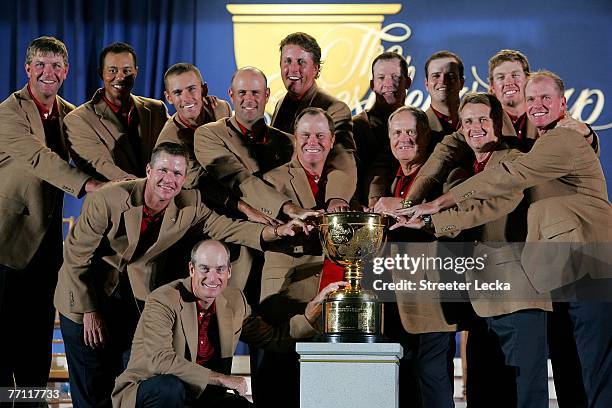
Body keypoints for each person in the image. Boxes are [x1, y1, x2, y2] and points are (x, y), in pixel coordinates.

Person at [396, 71, 612, 408]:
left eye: (545, 98)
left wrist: (434, 209)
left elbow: (504, 189)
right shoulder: (532, 147)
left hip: (581, 270)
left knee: (591, 377)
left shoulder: (558, 141)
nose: (537, 105)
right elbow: (452, 147)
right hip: (557, 276)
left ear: (563, 104)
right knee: (576, 376)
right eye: (531, 99)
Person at [54, 142, 308, 408]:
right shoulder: (107, 199)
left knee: (130, 380)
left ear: (185, 178)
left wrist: (276, 233)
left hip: (131, 298)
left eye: (177, 173)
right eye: (163, 170)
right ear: (149, 170)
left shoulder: (190, 203)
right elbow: (75, 259)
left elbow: (227, 228)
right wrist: (89, 311)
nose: (169, 179)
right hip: (84, 297)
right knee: (91, 389)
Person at [413, 92, 552, 407]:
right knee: (483, 394)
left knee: (526, 396)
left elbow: (488, 204)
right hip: (479, 303)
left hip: (519, 298)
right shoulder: (463, 171)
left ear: (498, 123)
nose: (476, 127)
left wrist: (429, 219)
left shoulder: (514, 161)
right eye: (468, 121)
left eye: (483, 119)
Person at [112, 239, 343, 408]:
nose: (213, 278)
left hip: (203, 394)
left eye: (220, 269)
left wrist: (309, 315)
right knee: (170, 388)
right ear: (191, 269)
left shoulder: (234, 301)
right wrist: (222, 379)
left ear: (229, 271)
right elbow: (160, 361)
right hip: (150, 389)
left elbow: (272, 339)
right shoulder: (163, 299)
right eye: (204, 269)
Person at [0, 36, 103, 388]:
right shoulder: (8, 112)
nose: (49, 72)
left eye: (56, 65)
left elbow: (94, 157)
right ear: (28, 69)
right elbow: (39, 158)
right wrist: (90, 185)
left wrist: (126, 183)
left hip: (44, 246)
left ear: (66, 71)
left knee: (37, 339)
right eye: (41, 65)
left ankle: (34, 399)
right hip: (4, 244)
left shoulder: (71, 115)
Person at [257, 107, 343, 407]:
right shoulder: (271, 181)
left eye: (320, 135)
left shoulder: (342, 180)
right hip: (285, 288)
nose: (313, 141)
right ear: (295, 139)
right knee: (278, 380)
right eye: (305, 135)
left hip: (328, 289)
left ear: (332, 141)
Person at [271, 32, 357, 212]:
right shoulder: (280, 104)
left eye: (301, 62)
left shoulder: (335, 107)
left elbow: (342, 156)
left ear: (316, 69)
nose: (293, 69)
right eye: (287, 61)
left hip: (317, 206)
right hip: (282, 204)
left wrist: (336, 198)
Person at [65, 42, 168, 180]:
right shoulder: (78, 119)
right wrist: (147, 188)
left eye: (127, 70)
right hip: (113, 199)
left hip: (160, 197)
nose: (120, 77)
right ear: (100, 72)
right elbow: (100, 166)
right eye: (112, 70)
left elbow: (174, 148)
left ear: (136, 71)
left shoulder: (156, 109)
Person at [352, 51, 412, 206]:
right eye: (381, 78)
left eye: (396, 77)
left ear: (408, 82)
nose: (389, 83)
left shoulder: (420, 126)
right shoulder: (357, 127)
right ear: (372, 85)